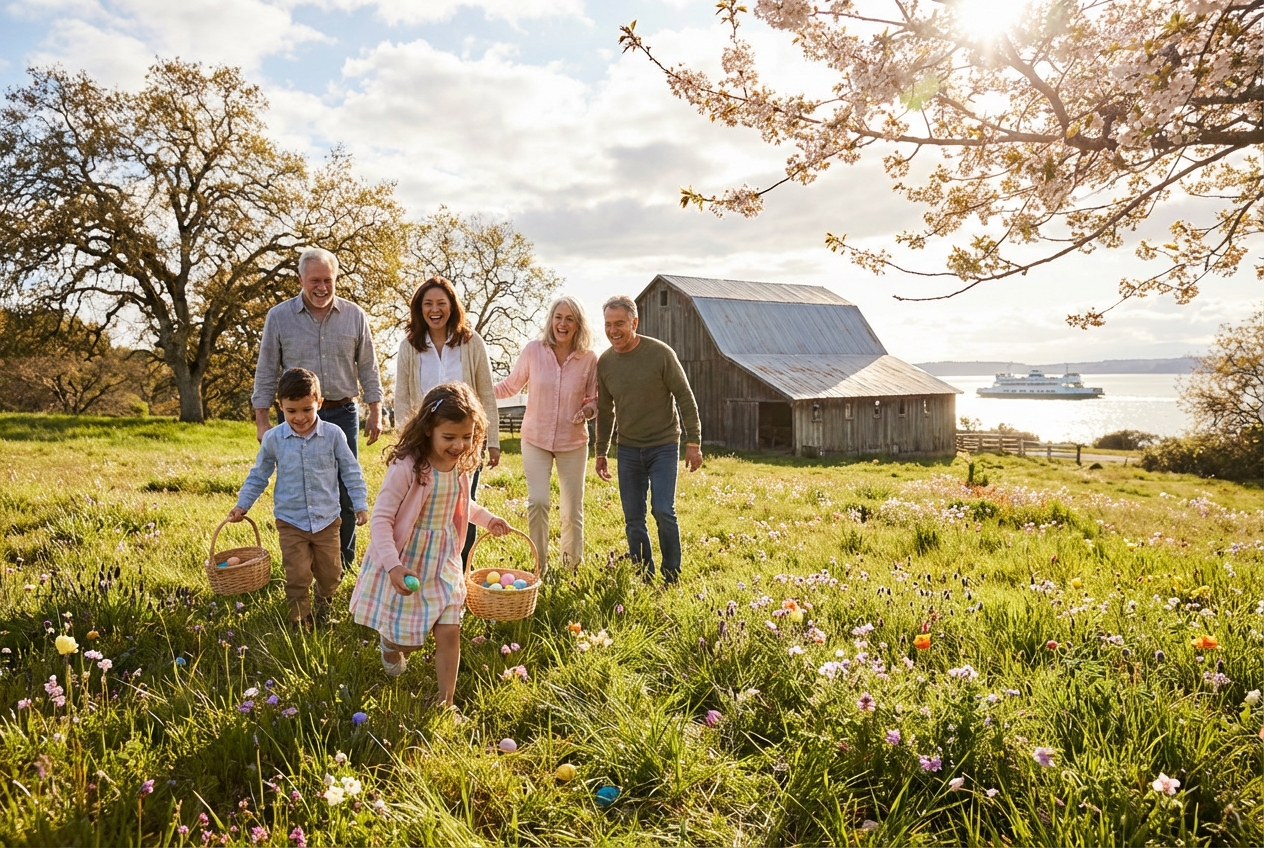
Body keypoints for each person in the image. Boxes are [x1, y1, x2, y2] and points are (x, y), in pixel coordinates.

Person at [348, 382, 511, 702]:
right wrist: (393, 566)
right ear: (428, 430)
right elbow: (382, 518)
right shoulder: (408, 465)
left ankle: (445, 700)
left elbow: (461, 504)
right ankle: (391, 646)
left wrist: (488, 518)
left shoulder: (460, 466)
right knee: (408, 641)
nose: (459, 445)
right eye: (449, 437)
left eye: (466, 436)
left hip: (444, 557)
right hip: (407, 556)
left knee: (450, 629)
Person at [252, 247, 383, 568]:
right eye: (315, 281)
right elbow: (266, 369)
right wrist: (261, 420)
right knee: (302, 490)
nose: (322, 287)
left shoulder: (355, 315)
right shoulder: (279, 317)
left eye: (328, 280)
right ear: (300, 280)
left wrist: (376, 410)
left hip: (342, 414)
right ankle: (304, 560)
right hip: (296, 416)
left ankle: (343, 561)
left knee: (344, 489)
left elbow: (368, 366)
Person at [230, 368, 369, 628]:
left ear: (319, 403)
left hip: (327, 520)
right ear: (280, 406)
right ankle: (299, 619)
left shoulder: (334, 435)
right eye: (291, 411)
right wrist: (242, 505)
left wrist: (360, 503)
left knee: (331, 573)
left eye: (307, 409)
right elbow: (259, 475)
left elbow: (351, 471)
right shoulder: (274, 439)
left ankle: (323, 602)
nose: (300, 417)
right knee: (297, 574)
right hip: (290, 520)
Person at [595, 295, 702, 585]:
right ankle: (644, 575)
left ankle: (672, 575)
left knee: (663, 510)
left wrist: (694, 443)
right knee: (633, 518)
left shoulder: (660, 353)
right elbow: (605, 411)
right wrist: (601, 452)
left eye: (619, 324)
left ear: (635, 322)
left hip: (664, 445)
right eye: (608, 325)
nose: (613, 331)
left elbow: (685, 397)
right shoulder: (605, 363)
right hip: (628, 448)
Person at [394, 276, 500, 564]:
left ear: (452, 307)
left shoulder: (470, 342)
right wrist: (403, 442)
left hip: (464, 441)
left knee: (463, 507)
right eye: (428, 304)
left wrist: (492, 441)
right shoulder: (410, 346)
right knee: (422, 507)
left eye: (441, 303)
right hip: (424, 440)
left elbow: (486, 393)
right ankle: (420, 567)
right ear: (419, 309)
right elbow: (402, 397)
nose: (435, 309)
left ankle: (460, 573)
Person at [494, 296, 598, 568]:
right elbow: (510, 386)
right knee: (538, 501)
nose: (562, 324)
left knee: (571, 508)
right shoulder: (533, 351)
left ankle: (570, 566)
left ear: (578, 325)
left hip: (573, 442)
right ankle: (539, 566)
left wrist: (588, 411)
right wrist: (477, 390)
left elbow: (593, 398)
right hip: (535, 439)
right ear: (551, 320)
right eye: (558, 317)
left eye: (569, 319)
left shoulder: (589, 359)